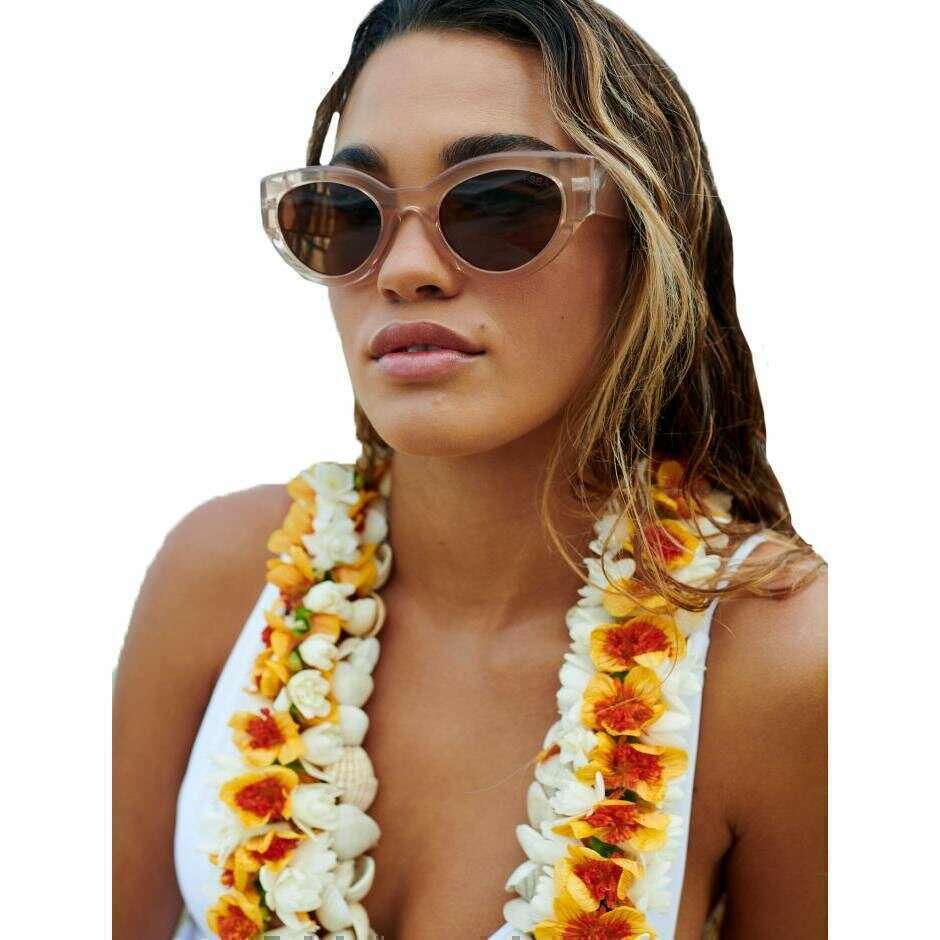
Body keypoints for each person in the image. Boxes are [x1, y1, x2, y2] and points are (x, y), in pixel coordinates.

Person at [112, 2, 827, 938]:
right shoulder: (218, 577)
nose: (404, 269)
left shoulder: (781, 661)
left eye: (499, 204)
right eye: (347, 213)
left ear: (649, 244)